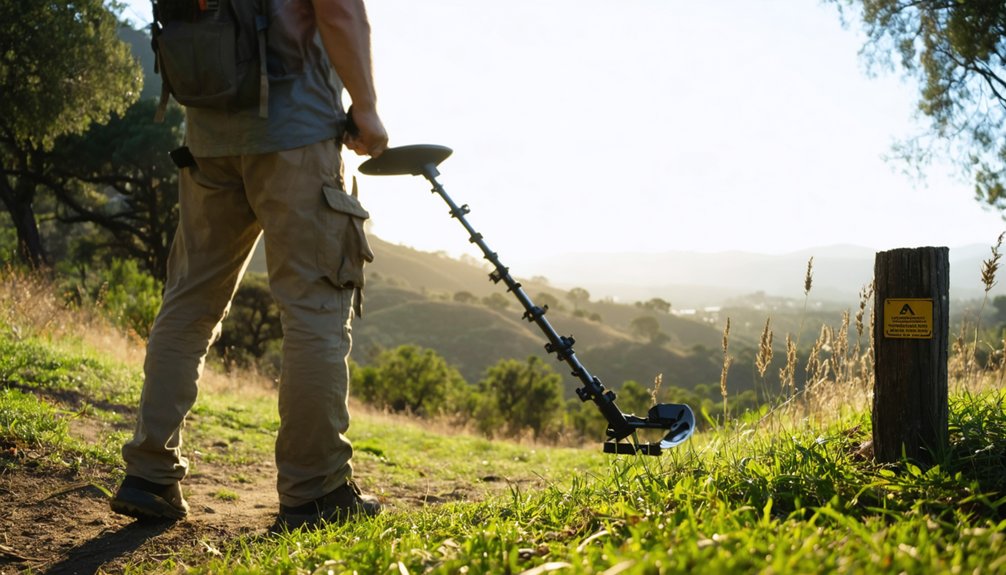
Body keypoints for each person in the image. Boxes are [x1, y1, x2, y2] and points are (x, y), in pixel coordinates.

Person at [109, 0, 389, 529]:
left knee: (188, 302)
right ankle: (315, 491)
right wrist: (367, 107)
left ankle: (148, 474)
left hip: (206, 139)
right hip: (295, 136)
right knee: (314, 311)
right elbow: (339, 11)